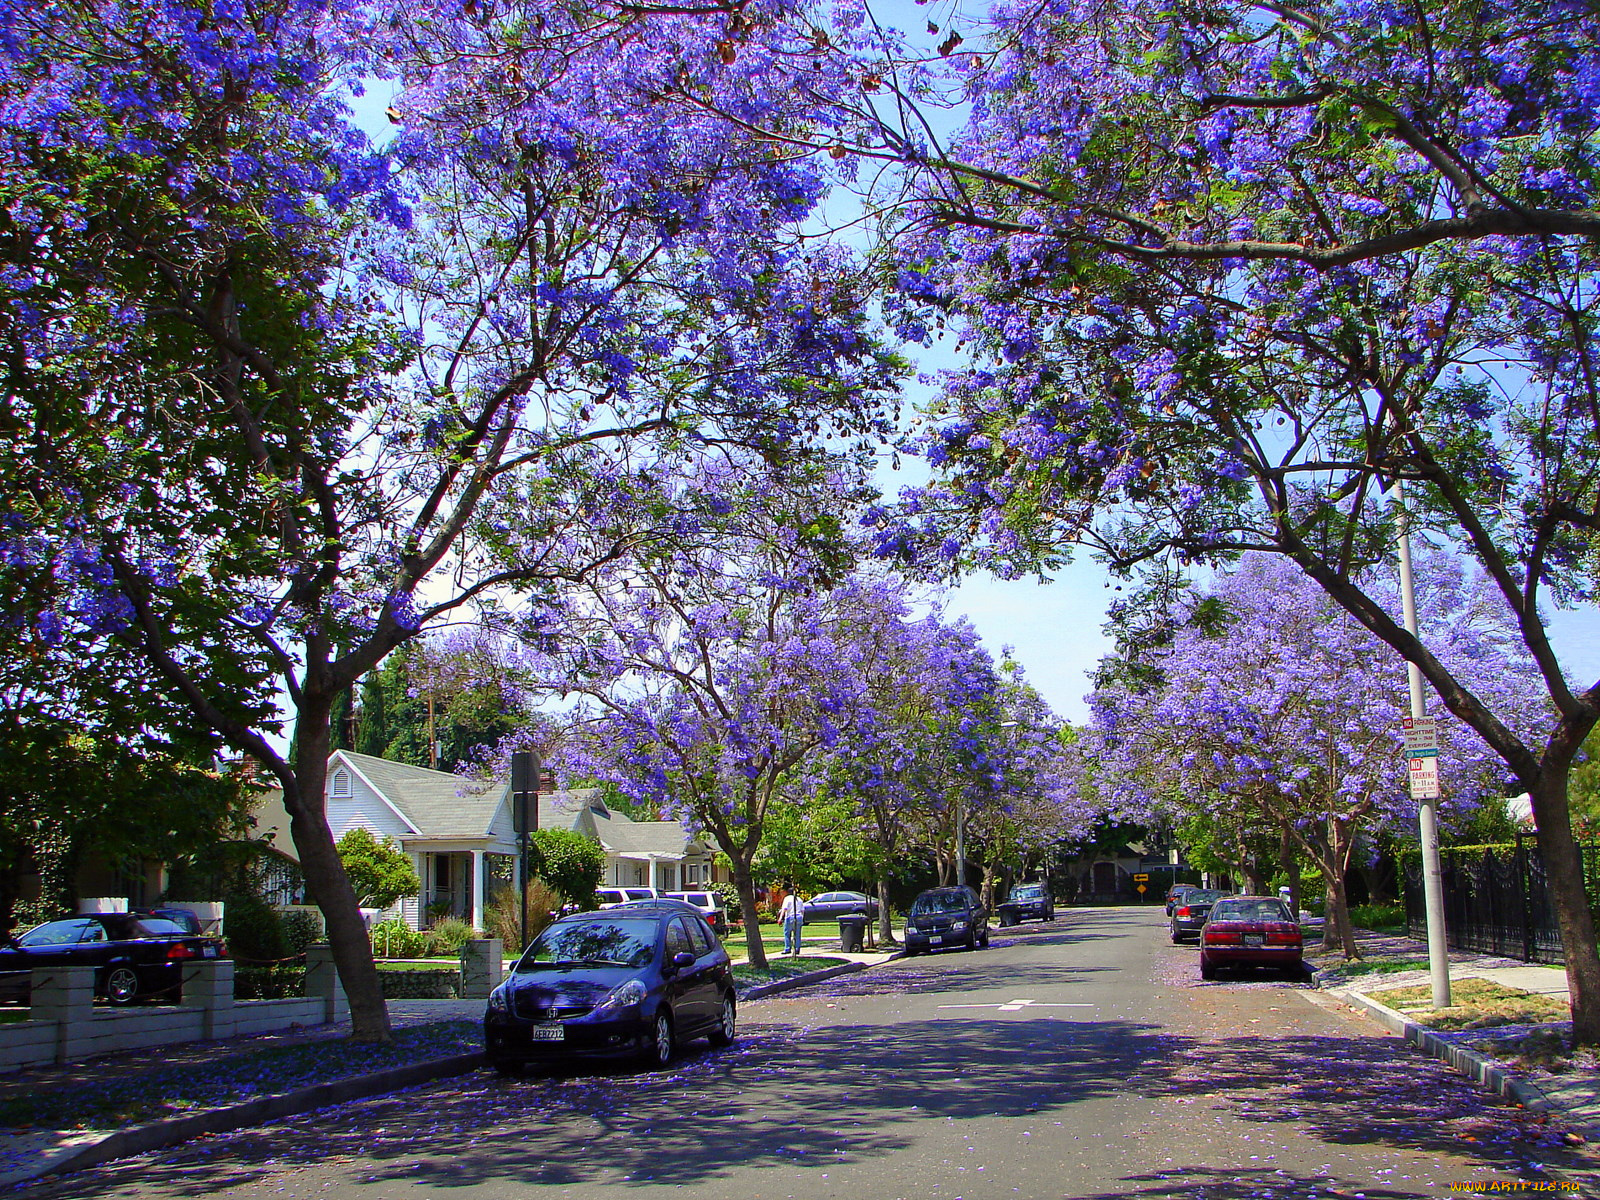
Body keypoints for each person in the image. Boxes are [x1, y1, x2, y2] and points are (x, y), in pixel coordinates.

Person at [779, 887, 805, 956]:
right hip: (799, 917)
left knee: (787, 933)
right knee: (797, 934)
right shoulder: (799, 899)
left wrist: (780, 918)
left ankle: (787, 948)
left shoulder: (787, 898)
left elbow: (784, 909)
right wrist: (802, 918)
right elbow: (802, 911)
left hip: (790, 917)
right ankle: (797, 949)